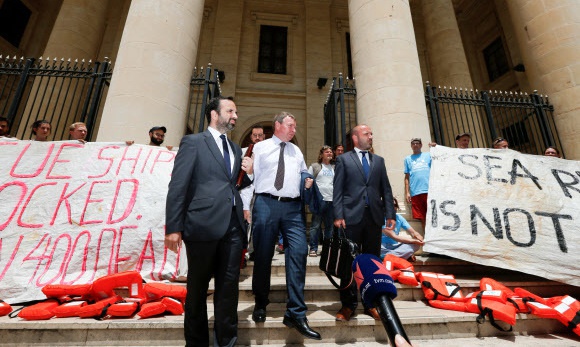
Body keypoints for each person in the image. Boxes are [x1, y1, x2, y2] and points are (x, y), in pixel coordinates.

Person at [165, 96, 253, 347]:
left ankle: (227, 342)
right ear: (214, 114)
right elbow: (178, 185)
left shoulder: (236, 149)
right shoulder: (193, 142)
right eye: (230, 111)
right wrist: (173, 227)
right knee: (197, 289)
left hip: (233, 227)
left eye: (236, 112)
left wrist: (248, 173)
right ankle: (196, 343)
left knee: (228, 290)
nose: (235, 116)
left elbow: (232, 185)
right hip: (201, 225)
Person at [251, 111, 321, 340]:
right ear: (278, 125)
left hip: (293, 209)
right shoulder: (260, 148)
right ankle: (261, 303)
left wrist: (306, 180)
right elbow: (250, 178)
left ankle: (296, 313)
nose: (294, 130)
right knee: (262, 255)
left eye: (295, 126)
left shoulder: (296, 150)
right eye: (291, 126)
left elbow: (301, 173)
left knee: (299, 253)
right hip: (266, 204)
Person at [333, 124, 396, 322]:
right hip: (351, 218)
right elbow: (338, 190)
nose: (371, 136)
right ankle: (348, 305)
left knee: (372, 264)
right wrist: (338, 215)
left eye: (371, 133)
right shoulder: (343, 159)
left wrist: (390, 214)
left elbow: (385, 188)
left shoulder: (379, 161)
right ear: (355, 137)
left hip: (374, 219)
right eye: (367, 133)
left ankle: (371, 304)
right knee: (348, 263)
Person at [307, 145, 335, 256]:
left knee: (329, 227)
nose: (330, 154)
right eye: (327, 152)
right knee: (315, 226)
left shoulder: (334, 167)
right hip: (319, 201)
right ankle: (313, 248)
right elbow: (308, 180)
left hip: (331, 200)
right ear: (321, 154)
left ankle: (327, 249)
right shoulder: (315, 166)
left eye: (331, 152)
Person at [404, 138, 431, 230]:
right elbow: (407, 177)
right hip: (415, 192)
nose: (415, 145)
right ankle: (426, 239)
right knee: (423, 218)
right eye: (413, 143)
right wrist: (407, 192)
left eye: (417, 143)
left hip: (429, 190)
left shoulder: (428, 155)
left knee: (433, 216)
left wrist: (435, 147)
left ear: (421, 145)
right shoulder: (407, 159)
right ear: (411, 146)